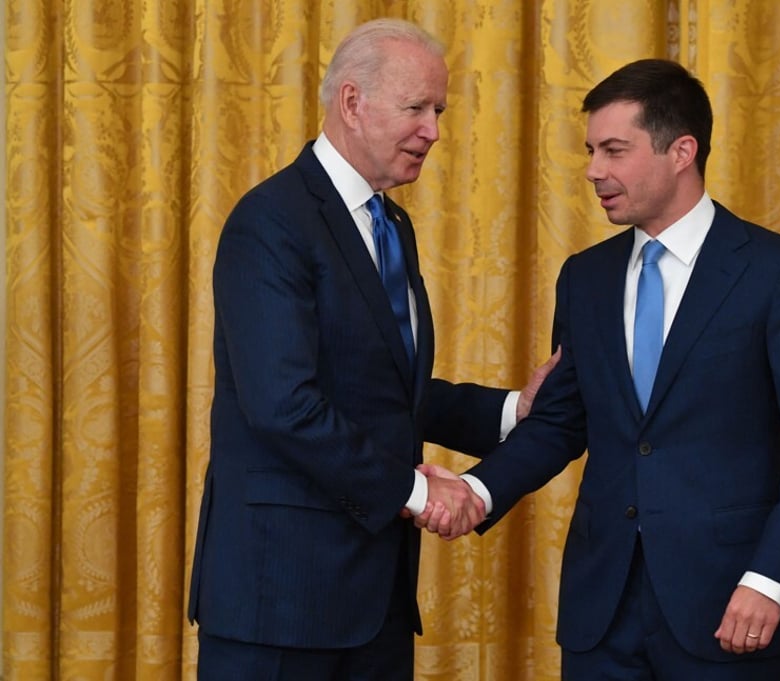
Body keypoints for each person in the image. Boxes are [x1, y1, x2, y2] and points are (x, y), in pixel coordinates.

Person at [419, 59, 780, 680]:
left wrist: (772, 579)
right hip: (602, 616)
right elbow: (561, 423)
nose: (594, 170)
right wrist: (475, 490)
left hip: (733, 605)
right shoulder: (585, 277)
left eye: (614, 150)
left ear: (682, 151)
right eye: (591, 151)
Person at [187, 18, 556, 681]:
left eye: (438, 110)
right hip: (281, 605)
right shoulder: (271, 221)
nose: (435, 130)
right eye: (417, 107)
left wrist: (509, 411)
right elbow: (284, 404)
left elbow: (384, 387)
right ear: (352, 102)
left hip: (374, 600)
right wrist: (415, 491)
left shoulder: (391, 224)